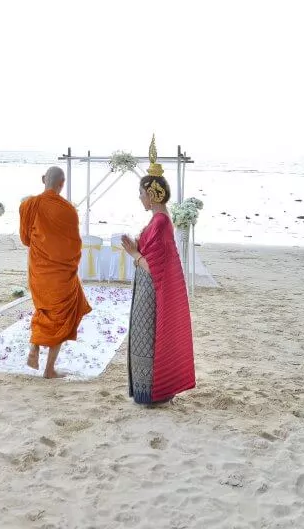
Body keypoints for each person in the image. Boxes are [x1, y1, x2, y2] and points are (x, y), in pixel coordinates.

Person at [119, 136, 196, 406]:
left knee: (146, 336)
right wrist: (137, 246)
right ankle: (148, 391)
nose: (139, 197)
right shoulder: (157, 220)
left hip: (152, 291)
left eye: (142, 193)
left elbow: (154, 265)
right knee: (143, 336)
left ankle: (152, 392)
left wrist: (134, 253)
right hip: (146, 288)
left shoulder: (161, 222)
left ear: (152, 194)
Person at [20, 165, 90, 378]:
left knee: (44, 310)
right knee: (63, 315)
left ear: (44, 179)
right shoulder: (69, 210)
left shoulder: (29, 205)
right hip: (62, 274)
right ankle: (49, 369)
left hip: (39, 272)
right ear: (63, 184)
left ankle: (35, 346)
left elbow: (25, 239)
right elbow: (74, 245)